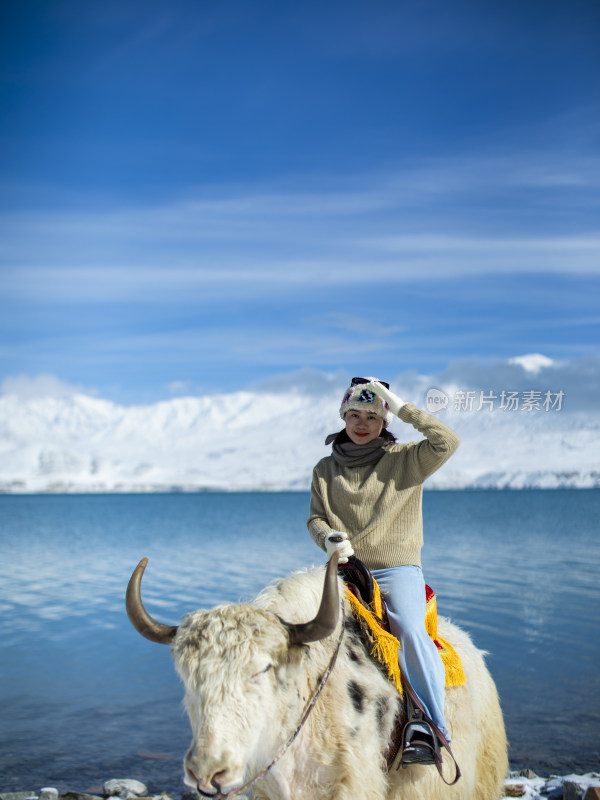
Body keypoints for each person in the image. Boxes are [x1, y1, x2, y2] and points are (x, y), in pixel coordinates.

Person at [307, 376, 460, 764]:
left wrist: (402, 405)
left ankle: (432, 726)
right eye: (353, 414)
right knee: (306, 634)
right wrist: (328, 540)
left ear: (385, 420)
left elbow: (448, 442)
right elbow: (315, 519)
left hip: (396, 570)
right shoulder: (325, 469)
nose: (361, 423)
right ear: (343, 417)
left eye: (372, 416)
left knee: (408, 629)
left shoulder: (406, 459)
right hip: (345, 571)